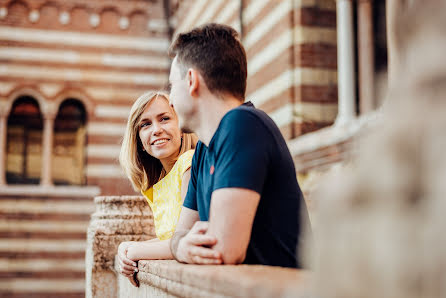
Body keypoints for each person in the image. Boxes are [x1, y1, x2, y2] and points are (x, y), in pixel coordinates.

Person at [168, 23, 311, 268]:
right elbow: (180, 234)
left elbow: (224, 251)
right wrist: (181, 246)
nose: (170, 99)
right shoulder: (203, 150)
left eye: (172, 85)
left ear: (191, 80)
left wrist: (181, 245)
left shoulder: (244, 124)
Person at [117, 91, 198, 286]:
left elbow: (186, 241)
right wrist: (127, 246)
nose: (156, 130)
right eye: (145, 124)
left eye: (165, 119)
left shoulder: (189, 164)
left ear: (181, 126)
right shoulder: (160, 184)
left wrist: (135, 251)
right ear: (139, 141)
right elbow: (171, 239)